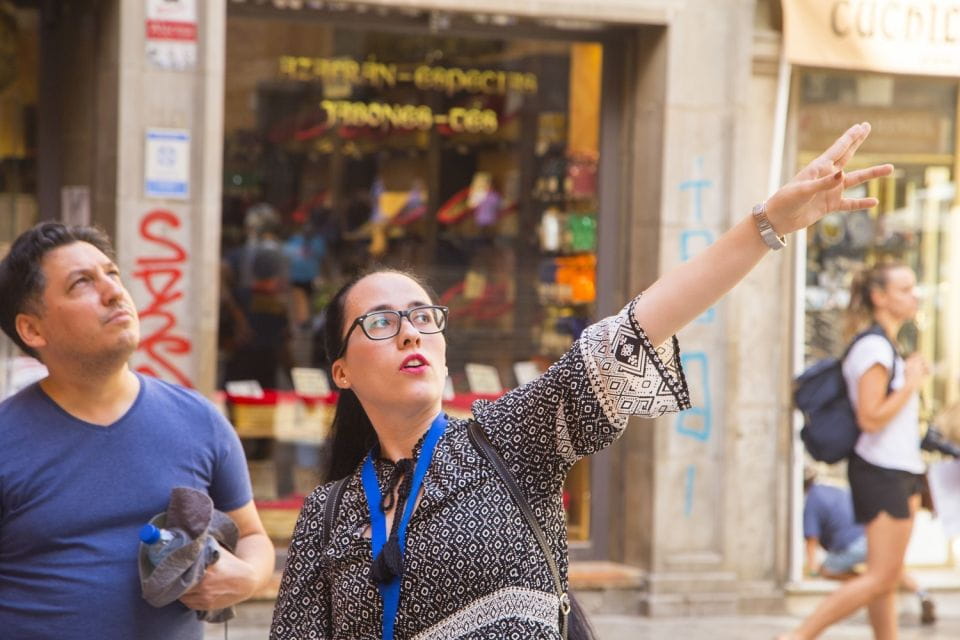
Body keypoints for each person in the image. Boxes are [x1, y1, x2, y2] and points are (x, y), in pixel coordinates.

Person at [269, 123, 892, 639]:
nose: (409, 332)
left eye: (422, 316)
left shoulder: (508, 440)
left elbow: (636, 327)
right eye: (380, 321)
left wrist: (766, 225)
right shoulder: (327, 517)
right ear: (342, 371)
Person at [0, 223, 276, 639]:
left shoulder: (200, 420)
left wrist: (249, 576)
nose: (113, 292)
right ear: (33, 330)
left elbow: (253, 534)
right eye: (81, 283)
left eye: (112, 274)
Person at [779, 261, 930, 640]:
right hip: (882, 471)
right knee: (881, 576)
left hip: (897, 469)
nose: (915, 295)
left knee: (886, 577)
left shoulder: (888, 345)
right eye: (904, 289)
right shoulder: (874, 348)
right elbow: (871, 417)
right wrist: (911, 383)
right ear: (879, 297)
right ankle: (796, 637)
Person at [802, 471, 935, 624]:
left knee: (828, 570)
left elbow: (811, 539)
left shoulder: (811, 502)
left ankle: (867, 586)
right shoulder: (833, 490)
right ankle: (922, 593)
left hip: (851, 544)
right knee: (890, 571)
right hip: (871, 533)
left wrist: (812, 571)